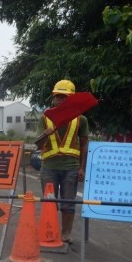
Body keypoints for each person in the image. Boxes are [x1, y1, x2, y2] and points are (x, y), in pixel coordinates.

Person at [35, 80, 89, 244]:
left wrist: (82, 168)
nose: (60, 100)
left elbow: (84, 145)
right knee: (50, 203)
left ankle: (66, 235)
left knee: (68, 203)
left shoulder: (81, 120)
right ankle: (49, 232)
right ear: (53, 98)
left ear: (72, 99)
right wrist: (46, 133)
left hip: (71, 168)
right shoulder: (45, 118)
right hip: (49, 168)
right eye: (57, 96)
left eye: (64, 97)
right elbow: (38, 144)